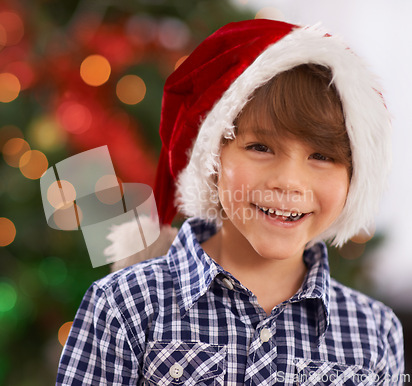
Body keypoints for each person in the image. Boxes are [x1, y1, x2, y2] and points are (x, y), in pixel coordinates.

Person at [56, 19, 404, 385]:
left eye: (322, 156)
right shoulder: (124, 306)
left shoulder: (375, 333)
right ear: (212, 156)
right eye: (259, 147)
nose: (288, 182)